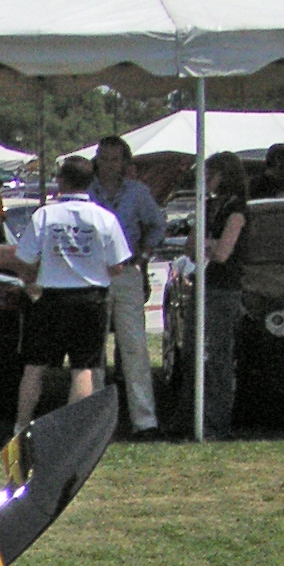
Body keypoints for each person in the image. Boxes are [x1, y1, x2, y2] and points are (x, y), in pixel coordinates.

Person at [2, 154, 133, 438]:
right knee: (83, 367)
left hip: (50, 298)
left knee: (34, 366)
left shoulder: (45, 215)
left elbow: (24, 258)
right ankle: (73, 432)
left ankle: (21, 426)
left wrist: (32, 278)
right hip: (90, 299)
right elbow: (118, 265)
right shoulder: (104, 218)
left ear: (60, 181)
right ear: (91, 181)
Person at [91, 135, 166, 438]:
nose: (109, 164)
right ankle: (95, 421)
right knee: (93, 349)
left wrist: (145, 255)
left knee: (134, 346)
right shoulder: (86, 191)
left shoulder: (137, 192)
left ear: (124, 162)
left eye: (115, 158)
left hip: (126, 272)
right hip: (93, 274)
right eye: (104, 158)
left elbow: (157, 224)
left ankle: (144, 420)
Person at [196, 150, 251, 440]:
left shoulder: (237, 209)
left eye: (211, 175)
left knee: (218, 356)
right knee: (200, 355)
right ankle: (195, 416)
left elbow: (222, 252)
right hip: (206, 284)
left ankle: (218, 421)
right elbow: (191, 246)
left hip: (225, 288)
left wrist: (206, 244)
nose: (207, 181)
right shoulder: (210, 206)